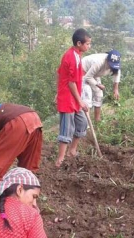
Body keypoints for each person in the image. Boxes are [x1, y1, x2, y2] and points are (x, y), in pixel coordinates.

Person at [55, 28, 92, 168]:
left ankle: (72, 150)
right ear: (78, 43)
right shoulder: (71, 57)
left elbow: (60, 74)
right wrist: (80, 101)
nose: (89, 46)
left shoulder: (77, 55)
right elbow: (70, 82)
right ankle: (60, 159)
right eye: (87, 44)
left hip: (73, 98)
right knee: (66, 129)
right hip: (68, 100)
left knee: (82, 123)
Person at [82, 49, 121, 122]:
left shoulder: (116, 64)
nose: (111, 67)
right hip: (83, 72)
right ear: (107, 60)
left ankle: (97, 120)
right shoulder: (99, 62)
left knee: (99, 95)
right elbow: (88, 77)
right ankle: (86, 123)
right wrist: (98, 84)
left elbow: (117, 75)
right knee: (87, 97)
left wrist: (115, 89)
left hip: (94, 74)